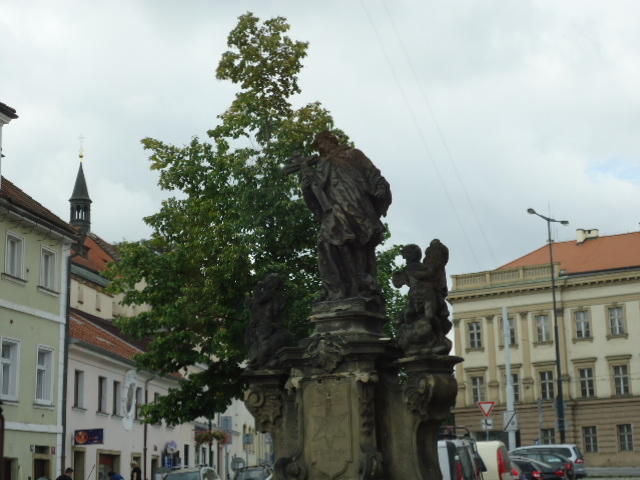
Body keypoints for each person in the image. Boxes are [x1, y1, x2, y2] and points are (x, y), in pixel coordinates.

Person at [298, 131, 391, 309]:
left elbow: (373, 174)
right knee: (327, 241)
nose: (320, 147)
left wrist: (380, 188)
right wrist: (306, 184)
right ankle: (338, 289)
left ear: (331, 140)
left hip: (357, 205)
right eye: (318, 145)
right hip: (334, 208)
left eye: (321, 142)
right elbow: (315, 190)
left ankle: (359, 286)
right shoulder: (321, 165)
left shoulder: (353, 154)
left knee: (357, 246)